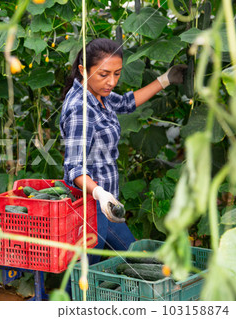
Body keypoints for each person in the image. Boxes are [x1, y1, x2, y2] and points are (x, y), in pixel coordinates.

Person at [60, 38, 186, 264]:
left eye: (117, 74)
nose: (111, 82)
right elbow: (74, 167)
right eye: (104, 74)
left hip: (106, 205)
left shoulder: (98, 94)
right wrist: (99, 193)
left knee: (134, 259)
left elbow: (127, 102)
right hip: (89, 207)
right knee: (88, 274)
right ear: (83, 70)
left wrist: (165, 79)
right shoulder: (81, 109)